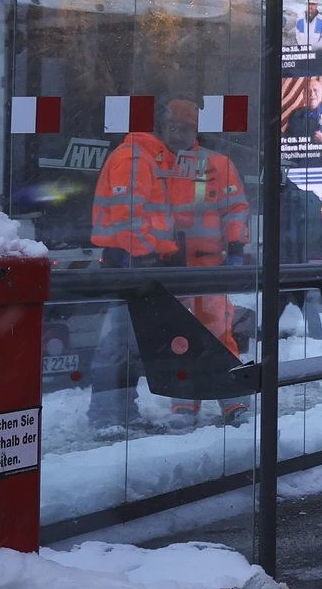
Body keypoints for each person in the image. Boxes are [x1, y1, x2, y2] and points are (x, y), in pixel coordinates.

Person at [90, 96, 251, 427]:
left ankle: (233, 401)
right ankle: (183, 403)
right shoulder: (153, 162)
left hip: (204, 265)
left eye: (186, 127)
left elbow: (234, 208)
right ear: (162, 128)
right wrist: (143, 253)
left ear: (196, 130)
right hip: (164, 264)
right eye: (174, 127)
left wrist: (235, 247)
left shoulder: (214, 164)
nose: (180, 133)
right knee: (174, 336)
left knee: (218, 333)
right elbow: (137, 214)